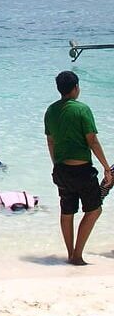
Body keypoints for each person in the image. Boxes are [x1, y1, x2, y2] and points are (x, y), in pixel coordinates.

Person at [45, 70, 113, 265]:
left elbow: (50, 142)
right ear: (76, 88)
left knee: (67, 212)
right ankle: (77, 254)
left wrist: (56, 165)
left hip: (61, 170)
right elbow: (92, 140)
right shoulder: (82, 109)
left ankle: (70, 253)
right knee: (94, 210)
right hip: (82, 169)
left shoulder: (50, 111)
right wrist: (107, 168)